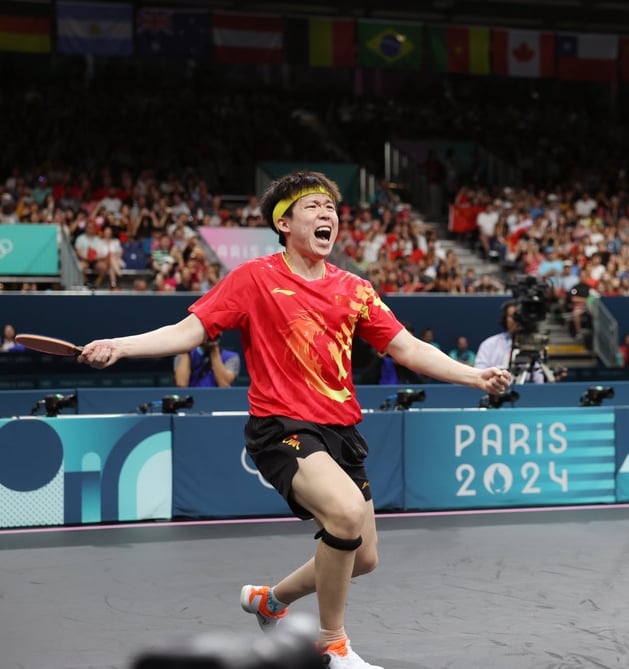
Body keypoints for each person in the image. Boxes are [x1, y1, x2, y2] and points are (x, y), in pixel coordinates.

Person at [77, 170, 513, 669]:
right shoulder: (255, 279)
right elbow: (188, 330)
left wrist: (474, 377)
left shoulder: (355, 289)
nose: (327, 214)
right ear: (283, 224)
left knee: (363, 556)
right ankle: (332, 644)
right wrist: (120, 347)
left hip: (341, 430)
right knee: (346, 515)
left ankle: (270, 601)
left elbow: (407, 348)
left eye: (332, 208)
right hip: (282, 427)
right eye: (313, 207)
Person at [475, 301, 549, 383]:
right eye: (513, 316)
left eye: (521, 317)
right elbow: (479, 375)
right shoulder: (489, 344)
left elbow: (539, 380)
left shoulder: (534, 346)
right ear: (504, 319)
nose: (517, 321)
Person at [173, 335, 240, 388]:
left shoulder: (231, 357)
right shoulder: (183, 356)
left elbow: (224, 384)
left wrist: (214, 349)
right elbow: (181, 384)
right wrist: (187, 348)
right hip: (193, 399)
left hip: (220, 399)